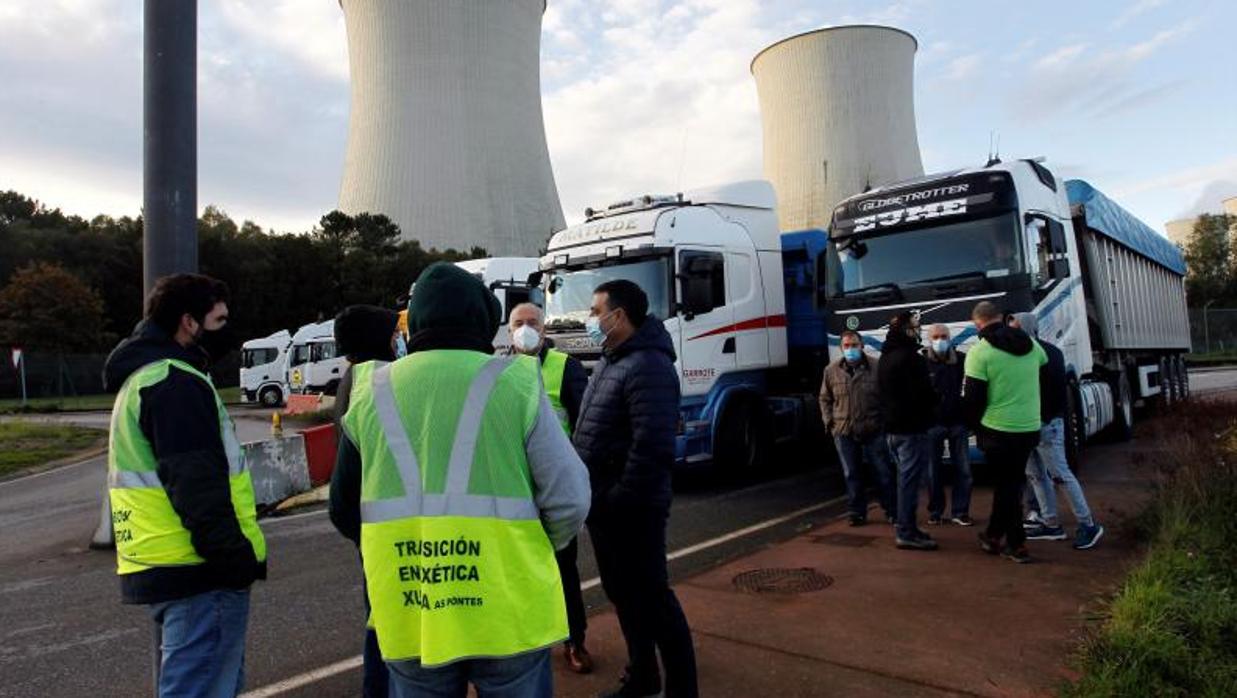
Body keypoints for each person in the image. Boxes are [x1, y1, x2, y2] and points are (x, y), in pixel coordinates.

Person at [331, 262, 591, 697]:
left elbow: (342, 510)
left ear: (412, 326)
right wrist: (532, 549)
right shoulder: (518, 384)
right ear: (484, 322)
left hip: (412, 610)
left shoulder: (371, 393)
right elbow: (570, 499)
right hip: (508, 608)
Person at [102, 274, 266, 698]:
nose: (228, 330)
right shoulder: (175, 382)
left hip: (169, 564)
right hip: (199, 571)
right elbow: (197, 486)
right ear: (189, 323)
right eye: (220, 319)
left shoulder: (145, 378)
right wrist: (235, 560)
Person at [573, 279, 698, 698]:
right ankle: (643, 677)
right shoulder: (614, 357)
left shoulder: (648, 365)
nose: (592, 319)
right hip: (606, 507)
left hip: (632, 509)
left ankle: (682, 689)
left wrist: (618, 498)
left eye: (595, 311)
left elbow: (653, 446)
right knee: (625, 596)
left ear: (619, 315)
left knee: (654, 600)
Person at [506, 302, 594, 674]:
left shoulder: (565, 367)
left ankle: (575, 641)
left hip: (553, 487)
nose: (525, 329)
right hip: (513, 489)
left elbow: (585, 426)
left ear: (543, 330)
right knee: (516, 571)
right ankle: (526, 642)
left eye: (532, 323)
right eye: (518, 323)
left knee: (563, 568)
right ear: (508, 331)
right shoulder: (497, 371)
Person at [328, 304, 402, 698]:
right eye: (393, 334)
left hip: (371, 525)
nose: (399, 341)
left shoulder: (353, 379)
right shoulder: (371, 382)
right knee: (386, 624)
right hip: (382, 526)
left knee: (380, 617)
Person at [1009, 313, 1104, 550]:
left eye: (1015, 327)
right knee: (1037, 476)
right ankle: (1050, 522)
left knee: (1058, 474)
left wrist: (1042, 418)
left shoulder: (1041, 354)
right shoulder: (1044, 352)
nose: (1011, 332)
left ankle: (1088, 523)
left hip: (1043, 425)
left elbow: (1050, 392)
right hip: (1030, 425)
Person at [962, 301, 1047, 564]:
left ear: (977, 324)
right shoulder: (1032, 345)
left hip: (997, 428)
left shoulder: (979, 352)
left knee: (1009, 486)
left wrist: (973, 427)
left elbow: (973, 398)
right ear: (1001, 318)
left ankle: (1017, 544)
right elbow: (1045, 367)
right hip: (1029, 426)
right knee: (1009, 484)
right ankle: (993, 534)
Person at [877, 312, 940, 550]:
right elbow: (923, 393)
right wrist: (936, 400)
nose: (918, 331)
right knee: (910, 483)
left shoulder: (886, 357)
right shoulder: (911, 358)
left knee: (904, 480)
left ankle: (908, 527)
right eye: (915, 327)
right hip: (912, 429)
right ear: (906, 330)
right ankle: (906, 531)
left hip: (893, 429)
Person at [820, 329, 896, 527]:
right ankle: (857, 512)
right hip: (844, 430)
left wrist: (884, 423)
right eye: (846, 346)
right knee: (852, 473)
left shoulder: (876, 367)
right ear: (841, 348)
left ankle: (891, 510)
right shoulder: (831, 370)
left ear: (862, 346)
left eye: (854, 345)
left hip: (873, 428)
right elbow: (825, 398)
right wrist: (830, 422)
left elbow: (887, 397)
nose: (851, 349)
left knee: (883, 472)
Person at [924, 323, 974, 527]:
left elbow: (970, 389)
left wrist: (968, 418)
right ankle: (935, 511)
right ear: (929, 340)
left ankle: (960, 511)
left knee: (963, 470)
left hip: (958, 423)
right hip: (932, 425)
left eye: (944, 336)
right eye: (935, 337)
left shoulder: (962, 360)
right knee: (932, 471)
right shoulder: (922, 363)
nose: (940, 340)